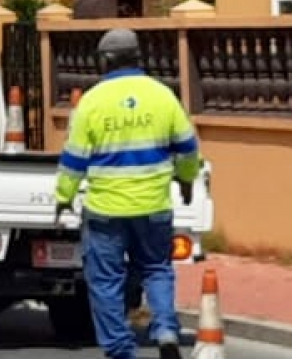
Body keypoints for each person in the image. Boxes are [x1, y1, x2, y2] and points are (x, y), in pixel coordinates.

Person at [54, 28, 202, 359]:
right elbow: (188, 148)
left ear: (105, 61)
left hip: (106, 209)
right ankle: (165, 329)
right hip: (154, 205)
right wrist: (187, 180)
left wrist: (63, 196)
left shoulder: (92, 100)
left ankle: (121, 350)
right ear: (138, 57)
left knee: (106, 281)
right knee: (157, 268)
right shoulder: (162, 95)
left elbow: (74, 158)